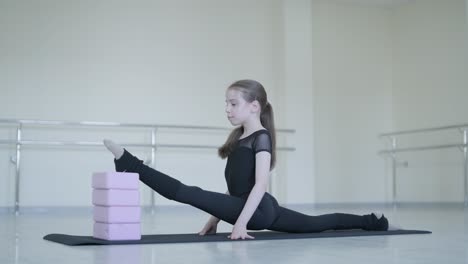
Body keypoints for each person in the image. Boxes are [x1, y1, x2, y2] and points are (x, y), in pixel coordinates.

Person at [103, 79, 389, 240]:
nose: (227, 109)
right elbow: (234, 189)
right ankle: (372, 222)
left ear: (254, 107)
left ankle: (131, 164)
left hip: (260, 210)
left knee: (189, 193)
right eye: (226, 103)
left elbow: (261, 184)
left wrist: (240, 224)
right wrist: (215, 220)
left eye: (233, 103)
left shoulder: (261, 137)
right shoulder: (238, 139)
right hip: (254, 207)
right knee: (320, 223)